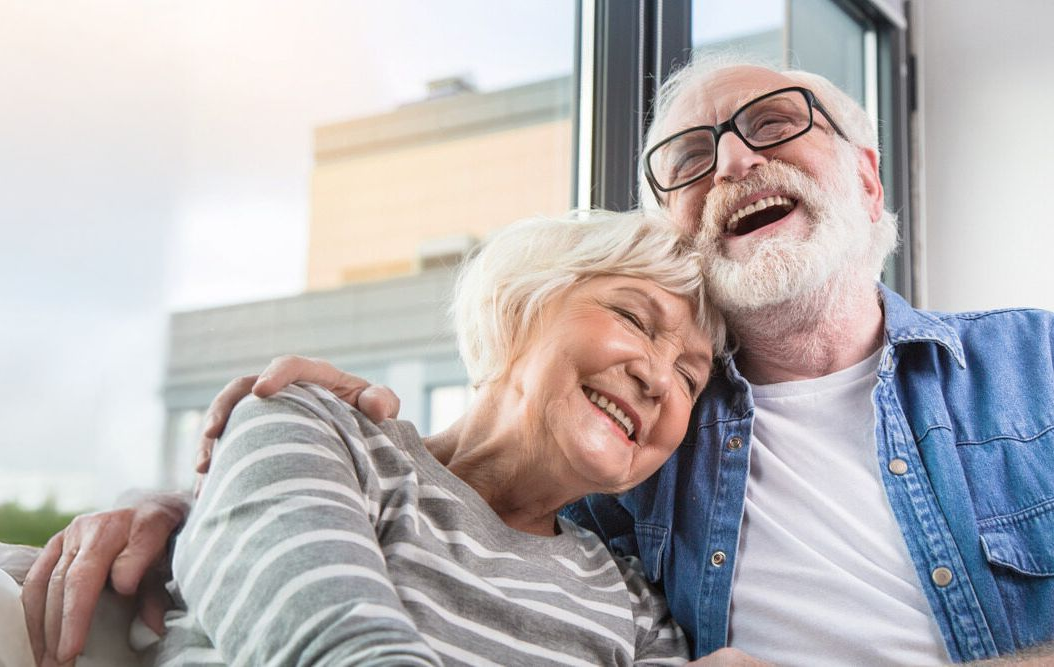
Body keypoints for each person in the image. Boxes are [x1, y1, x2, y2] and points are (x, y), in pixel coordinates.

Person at [26, 58, 1054, 665]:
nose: (731, 162)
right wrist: (192, 502)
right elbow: (432, 512)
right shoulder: (635, 487)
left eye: (776, 123)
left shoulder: (1043, 373)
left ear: (870, 181)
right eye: (690, 156)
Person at [157, 210, 731, 665]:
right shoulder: (313, 427)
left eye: (689, 377)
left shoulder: (637, 613)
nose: (658, 378)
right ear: (517, 309)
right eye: (632, 318)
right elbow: (340, 650)